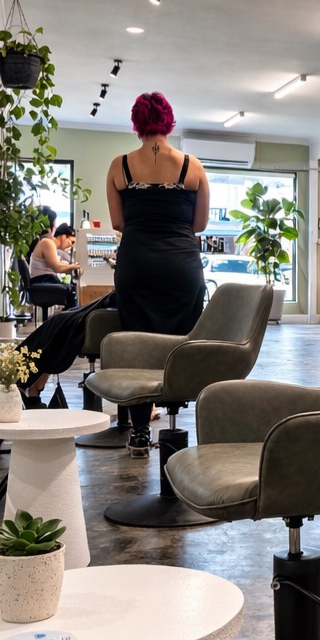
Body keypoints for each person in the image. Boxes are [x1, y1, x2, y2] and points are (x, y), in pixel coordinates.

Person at [105, 91, 210, 456]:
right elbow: (199, 224)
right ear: (168, 121)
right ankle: (174, 408)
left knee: (136, 343)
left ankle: (138, 430)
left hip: (137, 265)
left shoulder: (119, 166)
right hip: (182, 267)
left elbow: (118, 222)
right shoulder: (192, 166)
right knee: (180, 340)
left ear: (137, 124)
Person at [28, 222, 81, 310]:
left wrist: (70, 266)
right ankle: (70, 317)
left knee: (71, 289)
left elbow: (58, 265)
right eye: (71, 242)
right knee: (71, 292)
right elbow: (57, 268)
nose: (71, 245)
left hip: (45, 280)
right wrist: (74, 266)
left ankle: (67, 316)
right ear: (63, 237)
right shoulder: (48, 242)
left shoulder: (51, 246)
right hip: (43, 280)